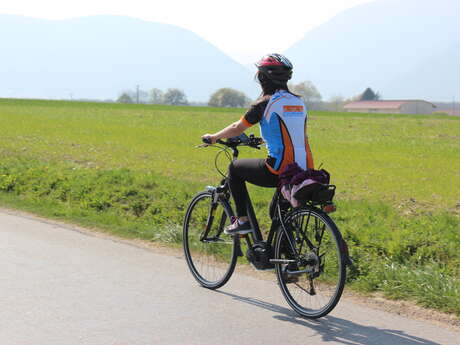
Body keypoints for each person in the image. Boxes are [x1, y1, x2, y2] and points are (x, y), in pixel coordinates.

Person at [202, 53, 314, 235]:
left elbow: (238, 127)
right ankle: (286, 258)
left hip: (277, 170)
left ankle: (242, 220)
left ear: (263, 77)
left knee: (235, 168)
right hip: (303, 169)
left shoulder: (265, 103)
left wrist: (213, 137)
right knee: (277, 213)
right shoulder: (299, 102)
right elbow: (290, 134)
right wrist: (263, 140)